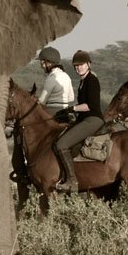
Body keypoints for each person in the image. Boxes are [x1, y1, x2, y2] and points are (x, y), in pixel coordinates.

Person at [54, 50, 105, 192]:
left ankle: (72, 181)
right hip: (85, 119)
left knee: (62, 144)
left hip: (93, 119)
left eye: (81, 64)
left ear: (89, 64)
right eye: (76, 65)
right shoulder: (82, 82)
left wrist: (72, 109)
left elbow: (90, 105)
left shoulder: (91, 80)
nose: (78, 68)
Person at [36, 47, 74, 115]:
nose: (41, 66)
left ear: (48, 63)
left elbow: (42, 101)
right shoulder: (66, 76)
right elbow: (71, 98)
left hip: (52, 111)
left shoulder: (52, 78)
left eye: (42, 62)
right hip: (66, 111)